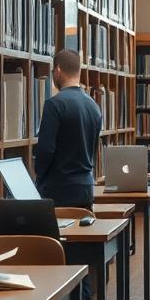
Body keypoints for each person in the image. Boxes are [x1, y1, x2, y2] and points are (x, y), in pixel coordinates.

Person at [33, 48, 103, 209]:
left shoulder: (54, 104)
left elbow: (46, 150)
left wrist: (39, 175)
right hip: (86, 189)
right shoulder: (94, 106)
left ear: (57, 71)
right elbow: (93, 150)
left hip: (58, 191)